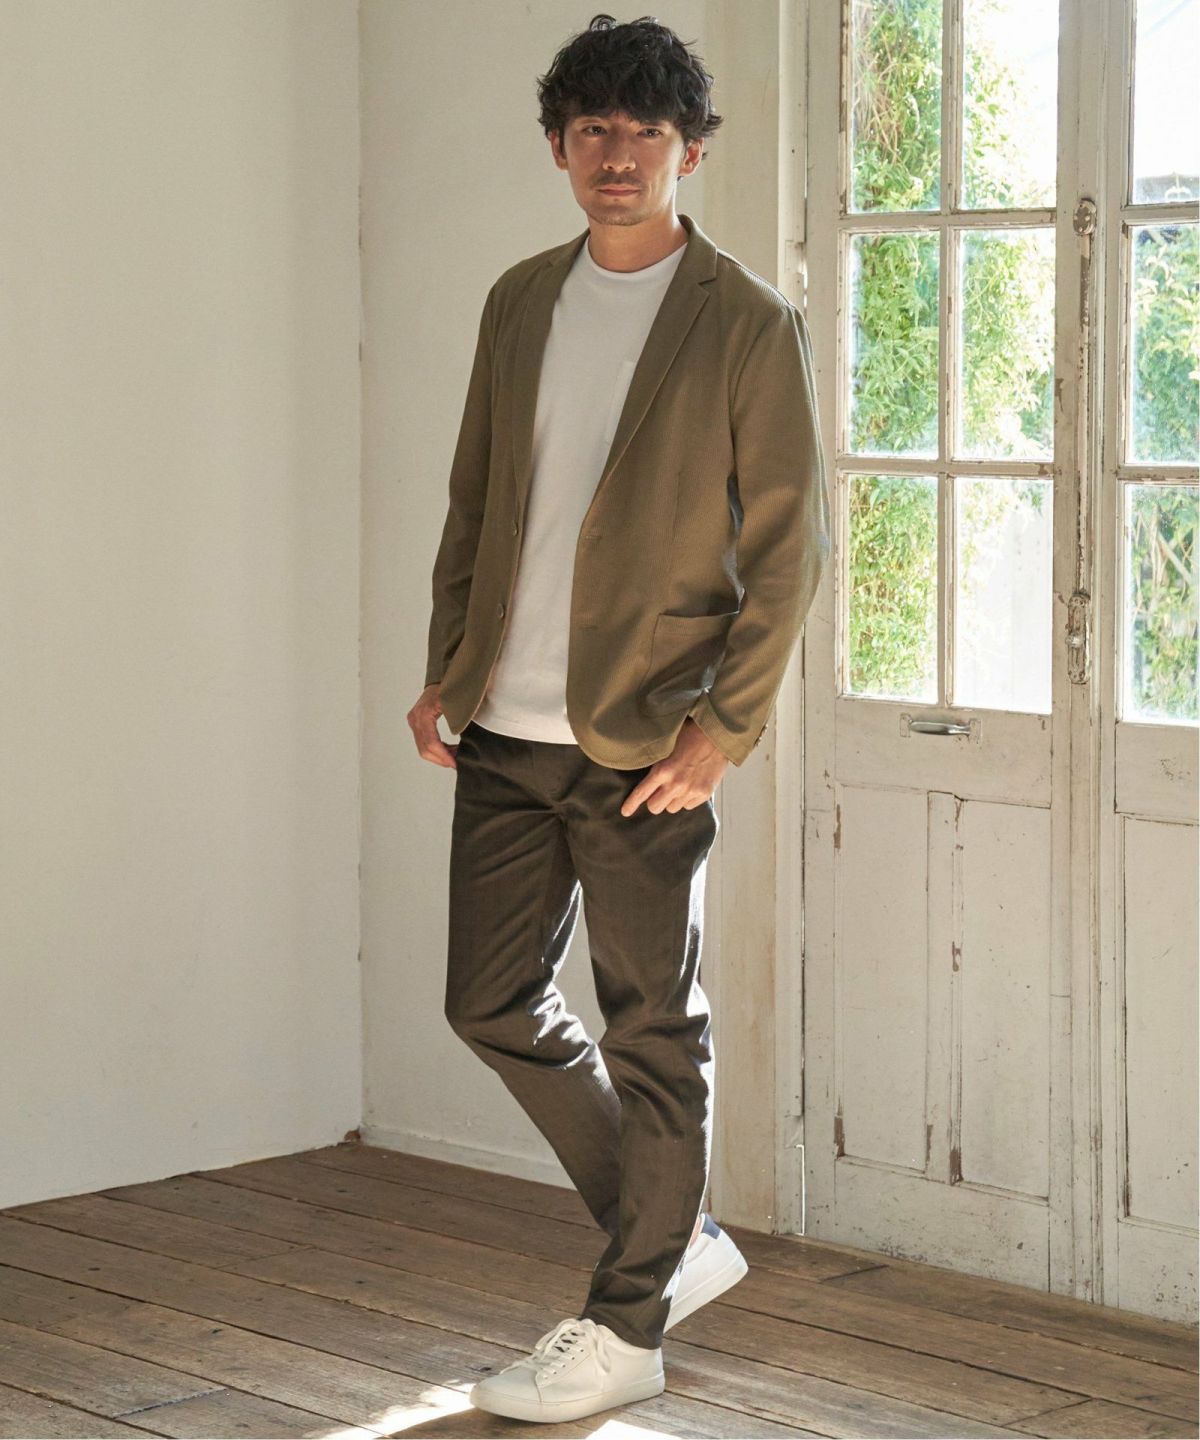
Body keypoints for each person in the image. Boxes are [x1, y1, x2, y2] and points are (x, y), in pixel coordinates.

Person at [407, 12, 830, 1425]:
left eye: (646, 132)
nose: (618, 155)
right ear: (558, 146)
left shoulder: (747, 323)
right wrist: (448, 666)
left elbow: (788, 552)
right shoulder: (520, 299)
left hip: (649, 738)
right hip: (503, 725)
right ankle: (670, 1238)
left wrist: (726, 729)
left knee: (653, 1029)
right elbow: (475, 500)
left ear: (687, 152)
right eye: (592, 128)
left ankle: (628, 1323)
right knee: (486, 999)